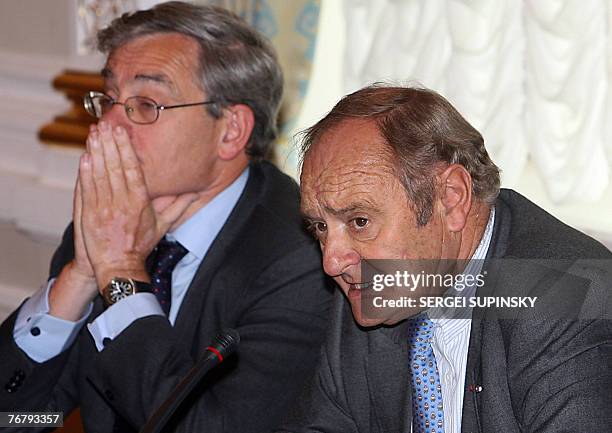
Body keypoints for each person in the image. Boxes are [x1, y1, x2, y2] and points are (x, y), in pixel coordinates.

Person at [0, 2, 332, 432]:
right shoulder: (111, 223)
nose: (109, 127)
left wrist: (120, 273)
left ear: (230, 131)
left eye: (146, 103)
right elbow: (19, 417)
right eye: (109, 100)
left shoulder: (300, 260)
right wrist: (81, 275)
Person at [278, 85, 612, 432]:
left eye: (359, 221)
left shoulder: (569, 298)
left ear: (451, 199)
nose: (332, 261)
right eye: (319, 226)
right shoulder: (373, 288)